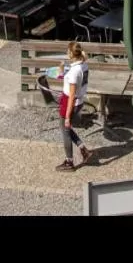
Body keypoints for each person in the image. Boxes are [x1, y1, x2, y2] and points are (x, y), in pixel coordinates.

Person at [56, 41, 93, 172]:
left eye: (67, 51)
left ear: (71, 53)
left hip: (70, 102)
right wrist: (62, 73)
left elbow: (71, 95)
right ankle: (83, 150)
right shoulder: (84, 65)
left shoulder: (74, 71)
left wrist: (67, 116)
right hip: (79, 100)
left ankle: (69, 162)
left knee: (65, 131)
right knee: (66, 129)